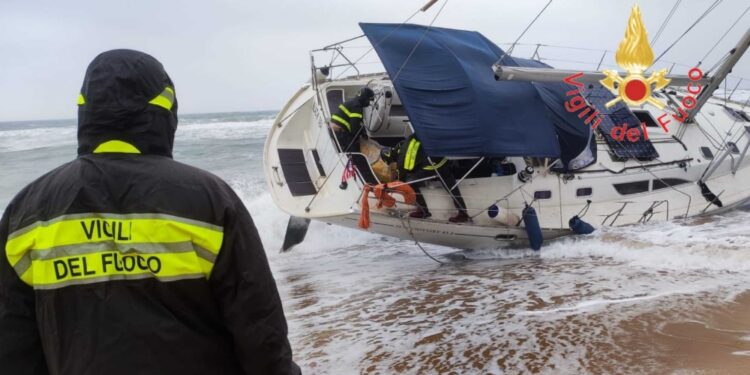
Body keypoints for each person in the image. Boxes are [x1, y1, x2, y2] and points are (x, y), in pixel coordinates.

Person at [0, 50, 300, 375]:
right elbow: (260, 334)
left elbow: (12, 346)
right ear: (165, 114)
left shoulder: (26, 212)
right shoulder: (210, 200)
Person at [395, 134, 470, 223]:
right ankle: (463, 213)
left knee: (411, 183)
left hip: (430, 166)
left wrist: (400, 180)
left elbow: (402, 164)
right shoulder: (430, 132)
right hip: (443, 162)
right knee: (451, 186)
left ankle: (423, 211)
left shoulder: (408, 144)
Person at [330, 87, 375, 153]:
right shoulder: (357, 107)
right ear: (364, 99)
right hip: (339, 132)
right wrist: (360, 137)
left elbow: (357, 122)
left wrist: (363, 132)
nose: (369, 103)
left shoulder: (352, 102)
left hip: (333, 129)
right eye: (369, 100)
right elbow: (354, 129)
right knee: (355, 151)